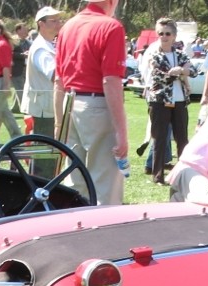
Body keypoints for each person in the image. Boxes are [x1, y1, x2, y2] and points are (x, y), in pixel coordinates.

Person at [53, 0, 129, 206]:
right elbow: (111, 81)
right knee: (105, 185)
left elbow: (58, 81)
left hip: (70, 104)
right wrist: (122, 132)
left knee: (76, 182)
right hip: (97, 106)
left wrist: (59, 124)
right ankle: (107, 234)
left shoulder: (68, 26)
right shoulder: (111, 27)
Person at [145, 18, 196, 185]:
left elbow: (194, 71)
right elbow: (159, 76)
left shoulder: (180, 54)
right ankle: (158, 176)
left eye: (168, 33)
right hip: (159, 101)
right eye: (160, 33)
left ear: (174, 36)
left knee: (182, 139)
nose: (164, 36)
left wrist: (181, 70)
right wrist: (181, 72)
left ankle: (182, 173)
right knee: (159, 138)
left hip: (180, 101)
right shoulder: (154, 54)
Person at [22, 7, 61, 139]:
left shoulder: (48, 45)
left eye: (59, 20)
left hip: (48, 108)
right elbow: (54, 75)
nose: (58, 24)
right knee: (45, 153)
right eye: (53, 21)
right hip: (44, 110)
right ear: (41, 24)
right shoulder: (41, 48)